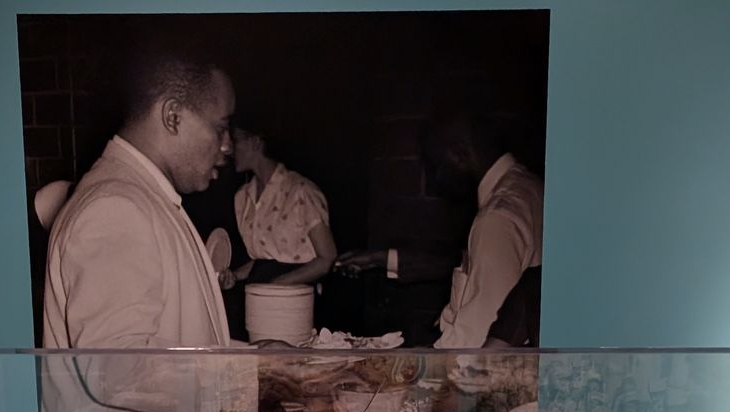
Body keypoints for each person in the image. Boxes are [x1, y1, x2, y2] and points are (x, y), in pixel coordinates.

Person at [41, 49, 236, 349]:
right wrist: (248, 370)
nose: (227, 147)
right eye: (220, 128)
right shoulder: (115, 209)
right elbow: (120, 371)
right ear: (172, 117)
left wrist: (255, 358)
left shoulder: (139, 196)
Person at [335, 112, 543, 348]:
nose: (437, 180)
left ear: (460, 154)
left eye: (437, 166)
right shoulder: (528, 188)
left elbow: (477, 337)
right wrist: (381, 259)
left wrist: (419, 362)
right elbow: (469, 264)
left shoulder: (497, 217)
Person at [222, 124, 336, 289]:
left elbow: (327, 258)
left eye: (235, 139)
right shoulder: (242, 197)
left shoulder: (301, 191)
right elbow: (266, 259)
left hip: (295, 297)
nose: (229, 149)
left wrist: (278, 285)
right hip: (261, 294)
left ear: (256, 141)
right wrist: (235, 275)